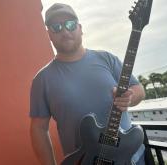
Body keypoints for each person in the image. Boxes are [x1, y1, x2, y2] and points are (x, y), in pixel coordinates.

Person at [30, 3, 146, 165]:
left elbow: (138, 89)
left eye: (70, 24)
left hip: (131, 159)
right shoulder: (41, 79)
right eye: (56, 27)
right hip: (85, 161)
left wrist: (130, 97)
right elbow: (39, 129)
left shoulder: (107, 59)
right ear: (49, 34)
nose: (64, 31)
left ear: (80, 28)